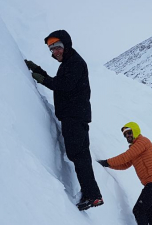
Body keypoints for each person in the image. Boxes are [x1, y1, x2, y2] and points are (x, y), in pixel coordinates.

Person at [24, 30, 103, 211]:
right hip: (76, 115)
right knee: (81, 156)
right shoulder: (70, 63)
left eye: (58, 47)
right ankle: (93, 194)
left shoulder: (74, 63)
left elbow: (63, 86)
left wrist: (40, 78)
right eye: (52, 49)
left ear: (66, 45)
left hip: (74, 116)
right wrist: (38, 71)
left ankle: (93, 195)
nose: (55, 52)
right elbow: (60, 82)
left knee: (78, 156)